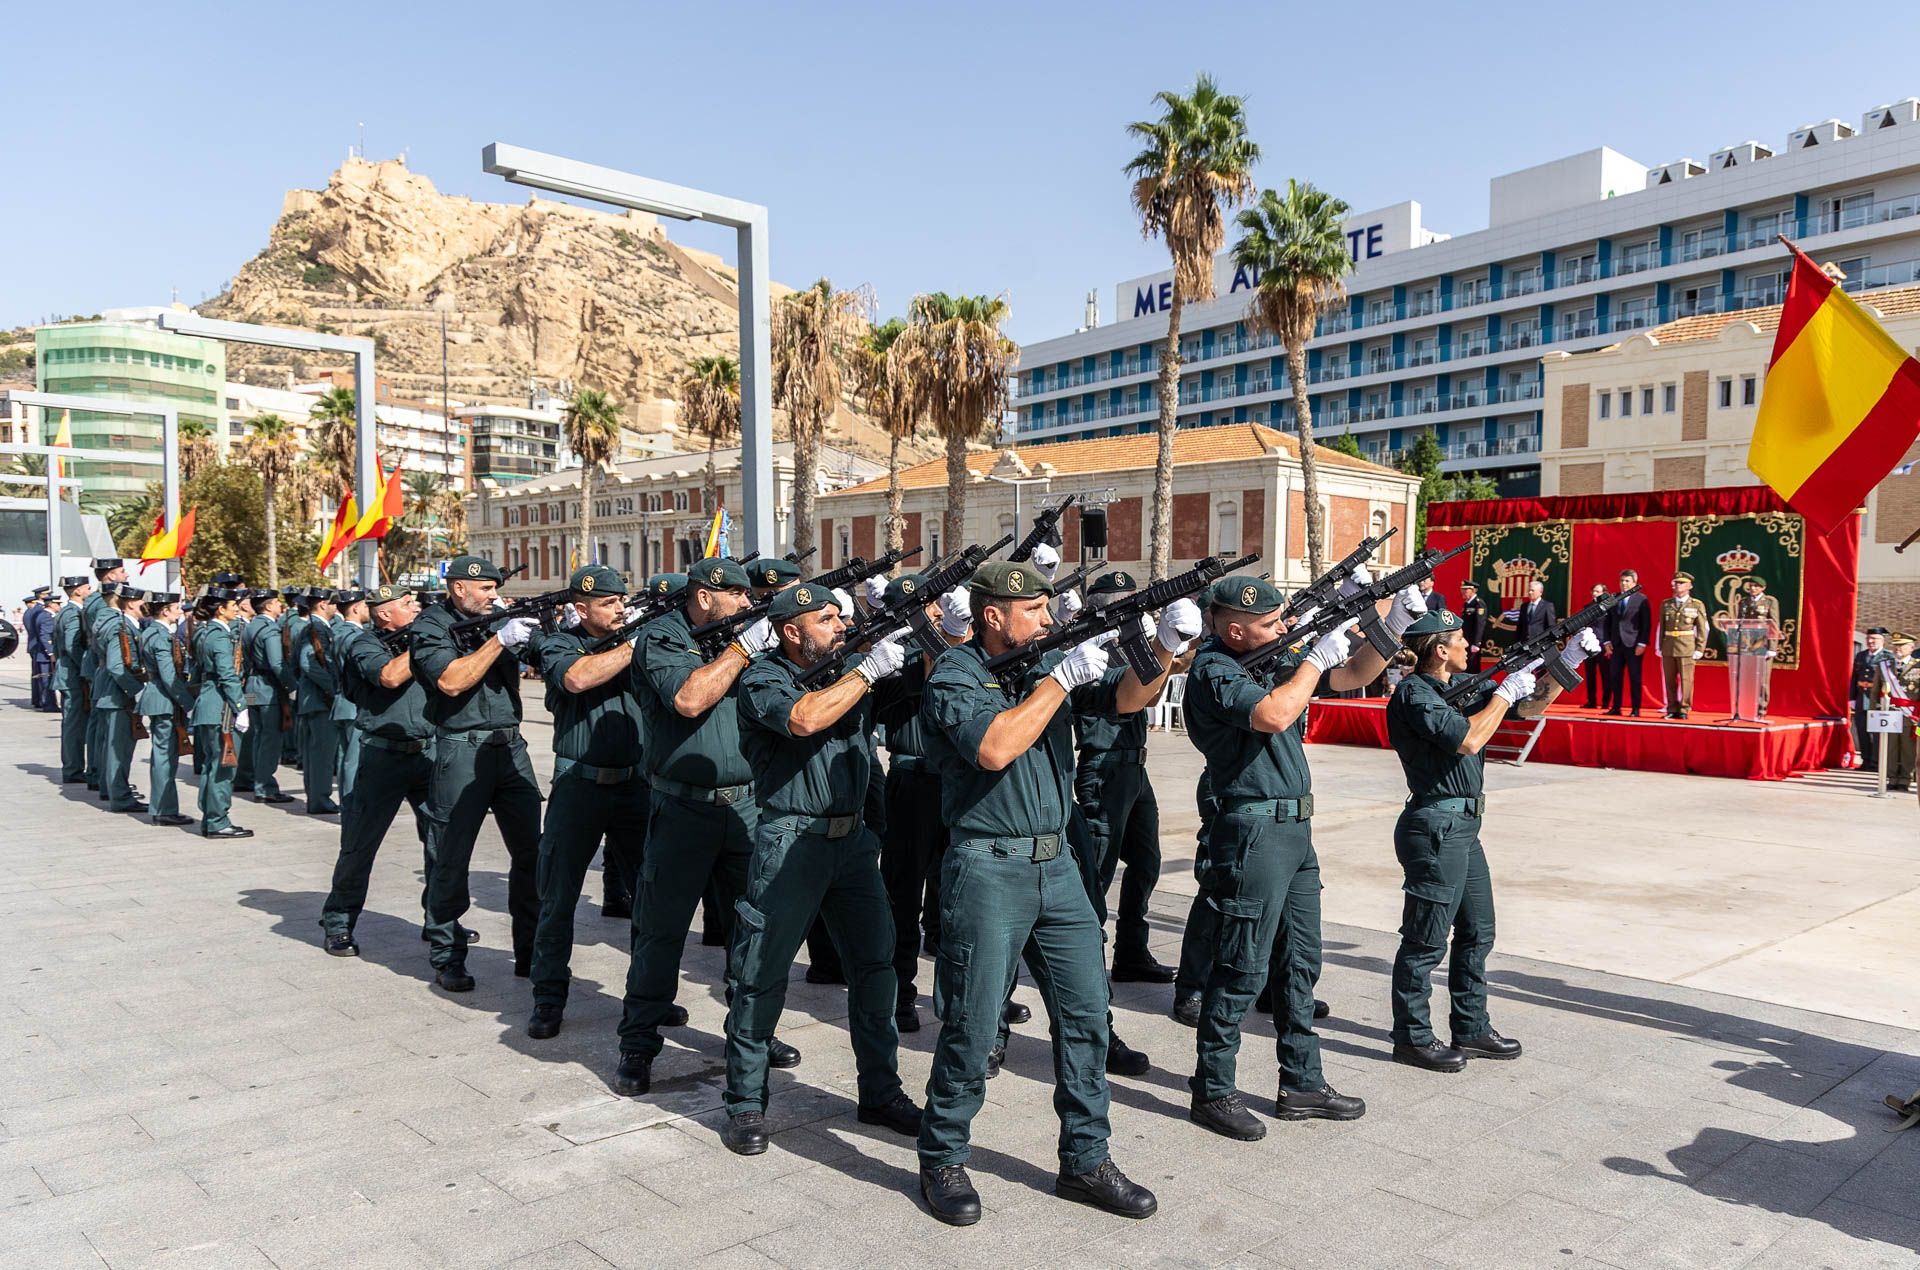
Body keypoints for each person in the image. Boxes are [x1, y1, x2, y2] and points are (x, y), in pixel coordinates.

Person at [914, 559, 1176, 1227]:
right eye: (1034, 611)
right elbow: (996, 747)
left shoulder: (1044, 663)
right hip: (988, 866)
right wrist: (1059, 678)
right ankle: (943, 1155)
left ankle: (1086, 1159)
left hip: (1057, 864)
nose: (1050, 620)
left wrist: (1164, 645)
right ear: (994, 615)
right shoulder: (956, 675)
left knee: (1087, 1018)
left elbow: (1127, 698)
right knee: (974, 1026)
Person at [1180, 573, 1415, 1143]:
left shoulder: (1265, 657)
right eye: (1269, 623)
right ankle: (1212, 1089)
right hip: (1253, 831)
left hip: (1293, 830)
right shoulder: (1216, 671)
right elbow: (1274, 715)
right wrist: (1311, 658)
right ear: (1234, 629)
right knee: (1241, 967)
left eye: (1283, 619)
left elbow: (1352, 674)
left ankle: (1302, 1081)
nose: (1283, 628)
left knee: (1300, 963)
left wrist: (1394, 625)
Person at [721, 583, 923, 1155]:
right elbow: (805, 719)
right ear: (791, 631)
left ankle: (880, 1092)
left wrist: (929, 631)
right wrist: (864, 674)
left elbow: (916, 687)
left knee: (876, 970)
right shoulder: (764, 679)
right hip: (792, 840)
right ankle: (745, 1102)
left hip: (852, 841)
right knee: (760, 972)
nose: (840, 624)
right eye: (826, 618)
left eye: (841, 616)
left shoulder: (849, 667)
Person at [612, 558, 797, 1097]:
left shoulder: (740, 634)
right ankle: (639, 1043)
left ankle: (752, 1036)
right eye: (736, 595)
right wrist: (740, 650)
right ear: (704, 596)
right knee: (661, 931)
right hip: (683, 808)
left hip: (745, 805)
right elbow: (689, 699)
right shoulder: (662, 637)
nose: (746, 603)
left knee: (752, 931)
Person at [1386, 610, 1600, 1071]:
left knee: (1478, 931)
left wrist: (1568, 659)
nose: (1471, 647)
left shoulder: (1456, 689)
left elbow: (1529, 706)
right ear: (1440, 650)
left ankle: (1471, 1026)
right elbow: (1468, 739)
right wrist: (1502, 692)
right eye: (1461, 640)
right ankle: (1412, 1035)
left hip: (1465, 827)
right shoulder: (1415, 693)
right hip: (1436, 826)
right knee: (1426, 939)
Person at [524, 565, 648, 1041]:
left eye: (622, 601)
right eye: (608, 603)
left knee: (649, 899)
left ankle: (648, 996)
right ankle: (548, 997)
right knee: (558, 896)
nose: (620, 608)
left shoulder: (634, 636)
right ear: (581, 609)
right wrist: (634, 646)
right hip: (579, 783)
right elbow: (577, 679)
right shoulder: (558, 643)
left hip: (635, 784)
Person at [409, 555, 545, 992]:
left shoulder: (497, 617)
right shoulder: (430, 626)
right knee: (449, 853)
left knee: (531, 855)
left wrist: (539, 630)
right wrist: (499, 641)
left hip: (510, 746)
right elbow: (451, 681)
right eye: (485, 589)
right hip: (460, 750)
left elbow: (547, 659)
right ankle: (447, 953)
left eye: (494, 588)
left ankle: (530, 951)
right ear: (458, 589)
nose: (493, 596)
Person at [318, 584, 435, 956]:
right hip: (383, 757)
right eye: (406, 603)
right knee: (359, 844)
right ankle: (339, 921)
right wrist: (425, 642)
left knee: (442, 844)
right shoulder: (362, 644)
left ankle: (440, 920)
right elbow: (388, 676)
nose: (415, 606)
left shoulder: (417, 639)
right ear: (384, 613)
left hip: (427, 754)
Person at [873, 576, 967, 1031]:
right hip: (911, 784)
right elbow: (928, 674)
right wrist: (945, 634)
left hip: (955, 783)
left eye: (933, 602)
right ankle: (900, 993)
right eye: (924, 604)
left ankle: (963, 998)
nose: (933, 609)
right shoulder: (891, 656)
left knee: (961, 898)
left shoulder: (950, 640)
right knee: (903, 897)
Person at [1072, 570, 1174, 986]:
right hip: (1104, 767)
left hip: (1134, 766)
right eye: (1124, 601)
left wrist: (1158, 647)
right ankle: (1084, 960)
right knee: (1097, 870)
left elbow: (1155, 693)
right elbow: (1129, 698)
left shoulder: (1128, 649)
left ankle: (1131, 951)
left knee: (1146, 862)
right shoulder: (1089, 650)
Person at [189, 585, 253, 839]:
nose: (236, 610)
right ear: (220, 609)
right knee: (224, 767)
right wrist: (242, 707)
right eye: (233, 607)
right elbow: (227, 675)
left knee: (210, 766)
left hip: (209, 705)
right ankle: (217, 821)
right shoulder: (218, 637)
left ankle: (210, 817)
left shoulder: (205, 633)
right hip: (222, 708)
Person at [136, 590, 195, 827]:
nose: (179, 611)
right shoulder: (160, 636)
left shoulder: (159, 633)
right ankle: (163, 808)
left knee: (166, 756)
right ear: (165, 610)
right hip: (164, 699)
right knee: (164, 757)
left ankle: (166, 807)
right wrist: (189, 705)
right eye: (176, 607)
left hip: (163, 697)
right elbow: (169, 676)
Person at [92, 583, 148, 814]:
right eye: (143, 601)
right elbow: (117, 666)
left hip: (110, 692)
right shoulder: (121, 627)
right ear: (132, 603)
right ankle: (120, 796)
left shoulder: (116, 623)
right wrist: (137, 691)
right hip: (118, 695)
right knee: (119, 748)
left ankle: (110, 788)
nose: (146, 606)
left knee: (111, 746)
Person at [242, 589, 295, 804]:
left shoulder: (250, 627)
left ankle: (258, 780)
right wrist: (292, 686)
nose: (280, 606)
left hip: (252, 689)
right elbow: (276, 663)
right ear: (269, 605)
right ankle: (265, 787)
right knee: (271, 739)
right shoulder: (270, 629)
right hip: (268, 690)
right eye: (277, 603)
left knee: (258, 737)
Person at [80, 558, 128, 791]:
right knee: (104, 727)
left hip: (98, 663)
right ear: (109, 576)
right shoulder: (102, 603)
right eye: (121, 571)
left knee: (99, 725)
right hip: (104, 664)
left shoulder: (92, 599)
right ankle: (103, 776)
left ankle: (98, 774)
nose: (125, 575)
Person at [295, 590, 344, 814]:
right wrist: (332, 688)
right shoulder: (315, 629)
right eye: (334, 603)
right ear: (324, 605)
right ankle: (319, 799)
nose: (337, 607)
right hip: (318, 700)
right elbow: (309, 663)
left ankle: (317, 797)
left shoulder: (318, 628)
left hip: (314, 699)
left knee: (317, 754)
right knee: (321, 754)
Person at [1657, 572, 1712, 720]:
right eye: (1676, 582)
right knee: (1669, 680)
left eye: (1681, 583)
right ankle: (1672, 708)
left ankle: (1684, 708)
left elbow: (1702, 628)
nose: (1677, 585)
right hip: (1669, 645)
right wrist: (1659, 646)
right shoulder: (1666, 604)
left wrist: (1700, 648)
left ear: (1690, 586)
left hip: (1686, 646)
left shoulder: (1696, 604)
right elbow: (1661, 627)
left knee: (1686, 680)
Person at [53, 575, 91, 783]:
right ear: (77, 591)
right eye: (87, 587)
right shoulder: (73, 614)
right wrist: (86, 669)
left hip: (68, 673)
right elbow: (72, 646)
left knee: (71, 724)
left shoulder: (65, 612)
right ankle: (73, 770)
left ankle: (73, 767)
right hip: (73, 676)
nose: (90, 590)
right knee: (74, 726)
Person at [1603, 569, 1654, 717]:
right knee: (1615, 676)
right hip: (1616, 645)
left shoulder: (1641, 599)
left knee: (1634, 677)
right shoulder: (1614, 599)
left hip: (1633, 645)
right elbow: (1607, 622)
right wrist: (1606, 641)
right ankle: (1616, 707)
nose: (1624, 584)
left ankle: (1635, 709)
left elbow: (1646, 624)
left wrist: (1643, 643)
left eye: (1627, 581)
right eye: (1622, 581)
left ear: (1634, 583)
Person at [331, 590, 367, 804]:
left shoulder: (338, 632)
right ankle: (351, 808)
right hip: (354, 703)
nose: (367, 610)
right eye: (364, 606)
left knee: (346, 759)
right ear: (355, 608)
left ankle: (347, 805)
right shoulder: (355, 636)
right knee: (354, 761)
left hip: (342, 702)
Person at [1733, 575, 1783, 719]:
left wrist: (1772, 647)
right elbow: (1738, 622)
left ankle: (1761, 711)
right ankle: (1743, 709)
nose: (1752, 588)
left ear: (1763, 588)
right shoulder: (1744, 602)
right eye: (1751, 586)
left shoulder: (1769, 601)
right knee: (1746, 678)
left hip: (1763, 642)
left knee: (1762, 680)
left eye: (1756, 586)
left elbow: (1774, 623)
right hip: (1747, 643)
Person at [1854, 628, 1894, 771]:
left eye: (1874, 639)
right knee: (1862, 730)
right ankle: (1866, 760)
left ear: (1882, 640)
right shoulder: (1860, 655)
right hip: (1861, 699)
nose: (1870, 642)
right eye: (1868, 639)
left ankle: (1877, 763)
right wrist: (1852, 697)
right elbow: (1854, 677)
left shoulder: (1888, 657)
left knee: (1877, 733)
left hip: (1878, 700)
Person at [1886, 633, 1916, 793]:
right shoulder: (1885, 666)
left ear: (1911, 648)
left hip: (1910, 715)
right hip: (1889, 714)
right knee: (1890, 748)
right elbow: (1877, 690)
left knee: (1907, 749)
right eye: (1896, 645)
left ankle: (1905, 779)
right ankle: (1892, 778)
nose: (1898, 648)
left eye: (1902, 645)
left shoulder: (1918, 667)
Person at [1581, 583, 1610, 708]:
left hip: (1604, 645)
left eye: (1597, 591)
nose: (1594, 594)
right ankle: (1591, 701)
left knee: (1605, 675)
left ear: (1604, 593)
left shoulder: (1608, 607)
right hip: (1589, 645)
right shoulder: (1587, 607)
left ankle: (1606, 702)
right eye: (1593, 591)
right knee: (1590, 675)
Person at [25, 588, 53, 710]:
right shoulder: (39, 611)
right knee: (43, 675)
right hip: (40, 646)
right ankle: (44, 701)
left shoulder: (33, 610)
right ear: (42, 596)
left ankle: (38, 699)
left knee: (38, 675)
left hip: (35, 645)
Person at [1458, 581, 1488, 674]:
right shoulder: (1467, 604)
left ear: (1473, 590)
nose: (1463, 592)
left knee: (1473, 667)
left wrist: (1476, 643)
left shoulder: (1478, 603)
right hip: (1466, 641)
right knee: (1466, 666)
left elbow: (1480, 624)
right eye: (1462, 589)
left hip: (1473, 642)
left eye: (1466, 589)